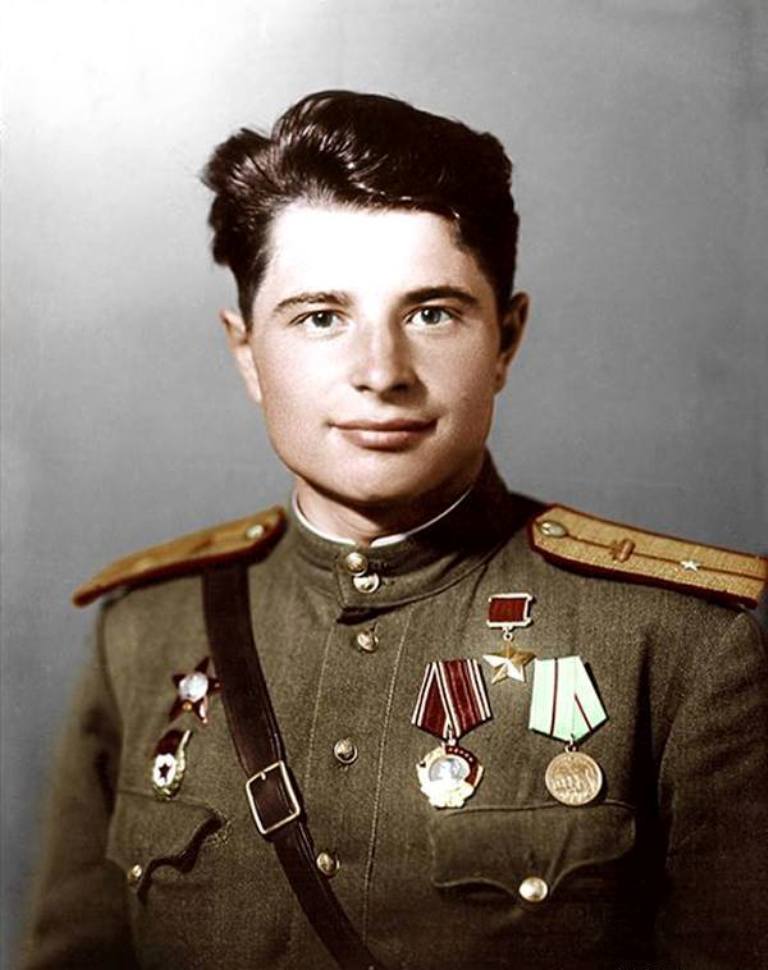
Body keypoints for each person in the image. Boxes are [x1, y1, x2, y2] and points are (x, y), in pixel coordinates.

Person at [20, 90, 768, 970]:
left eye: (432, 313)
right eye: (321, 317)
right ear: (246, 351)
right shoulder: (144, 632)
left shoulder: (677, 646)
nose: (381, 372)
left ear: (506, 339)